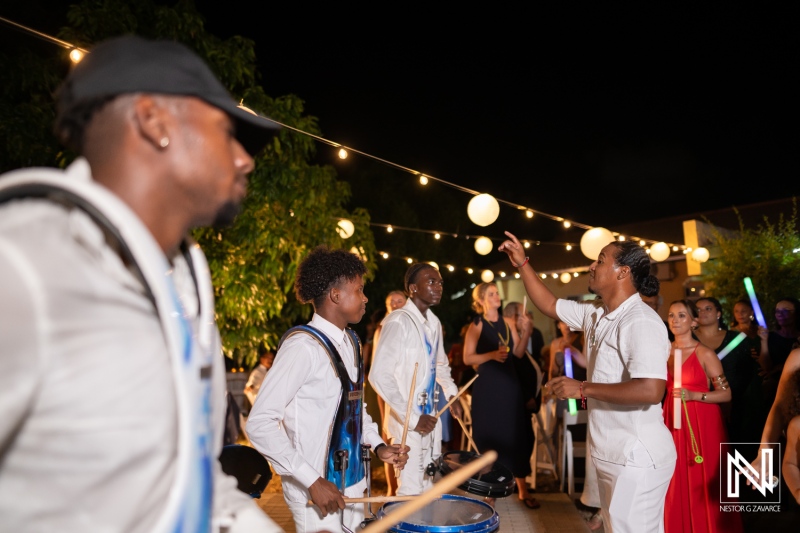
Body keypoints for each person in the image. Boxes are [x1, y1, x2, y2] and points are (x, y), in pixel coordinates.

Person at [0, 35, 283, 532]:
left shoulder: (185, 290)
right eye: (227, 130)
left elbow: (188, 476)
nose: (246, 160)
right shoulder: (23, 263)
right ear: (154, 122)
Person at [498, 231, 676, 532]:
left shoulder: (641, 321)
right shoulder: (596, 313)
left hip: (636, 456)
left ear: (623, 272)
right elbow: (550, 304)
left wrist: (581, 388)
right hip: (610, 453)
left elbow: (651, 389)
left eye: (600, 260)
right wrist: (522, 263)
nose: (592, 266)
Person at [246, 246, 408, 532]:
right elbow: (260, 423)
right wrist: (311, 480)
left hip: (355, 483)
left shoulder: (352, 342)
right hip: (318, 492)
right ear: (335, 295)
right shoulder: (302, 348)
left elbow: (355, 409)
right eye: (359, 290)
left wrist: (379, 445)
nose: (365, 297)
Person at [369, 263, 463, 496]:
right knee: (410, 493)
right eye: (431, 282)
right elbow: (379, 375)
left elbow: (441, 365)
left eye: (440, 282)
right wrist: (411, 418)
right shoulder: (397, 321)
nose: (438, 286)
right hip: (407, 425)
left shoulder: (434, 323)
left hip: (431, 419)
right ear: (413, 288)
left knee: (430, 489)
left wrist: (452, 394)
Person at [662, 300, 742, 533]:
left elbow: (726, 394)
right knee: (674, 478)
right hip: (672, 419)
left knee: (703, 479)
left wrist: (696, 395)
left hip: (702, 421)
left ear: (693, 322)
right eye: (671, 315)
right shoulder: (663, 352)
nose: (675, 320)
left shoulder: (705, 353)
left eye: (682, 315)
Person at [463, 282, 539, 509]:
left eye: (497, 293)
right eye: (492, 294)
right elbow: (468, 358)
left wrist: (526, 331)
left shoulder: (507, 322)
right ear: (481, 300)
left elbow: (518, 352)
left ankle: (522, 490)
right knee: (488, 437)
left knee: (514, 437)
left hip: (509, 388)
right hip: (487, 389)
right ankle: (490, 493)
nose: (497, 296)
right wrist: (491, 355)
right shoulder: (476, 324)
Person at [694, 297, 765, 447]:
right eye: (698, 309)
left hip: (736, 406)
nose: (702, 312)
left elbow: (749, 373)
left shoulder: (737, 339)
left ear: (718, 313)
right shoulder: (687, 340)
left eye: (708, 308)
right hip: (696, 403)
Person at [243, 344, 275, 408]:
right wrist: (250, 386)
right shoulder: (257, 372)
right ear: (262, 359)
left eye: (272, 358)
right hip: (262, 405)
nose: (270, 361)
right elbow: (252, 382)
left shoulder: (268, 371)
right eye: (268, 358)